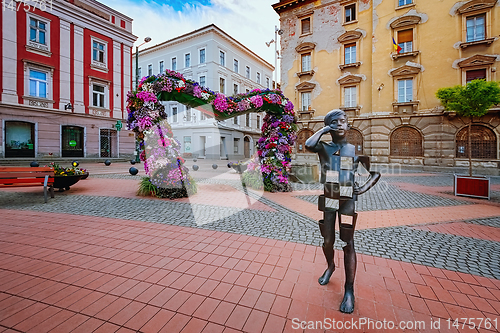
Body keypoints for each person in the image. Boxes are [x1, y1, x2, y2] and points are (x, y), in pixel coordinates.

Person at [305, 109, 380, 313]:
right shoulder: (324, 148)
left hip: (347, 199)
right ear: (329, 126)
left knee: (348, 241)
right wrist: (323, 129)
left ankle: (349, 290)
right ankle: (330, 266)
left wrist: (362, 188)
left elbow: (374, 173)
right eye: (334, 122)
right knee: (327, 239)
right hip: (329, 197)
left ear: (348, 125)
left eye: (343, 121)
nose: (340, 124)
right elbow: (308, 145)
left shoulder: (353, 150)